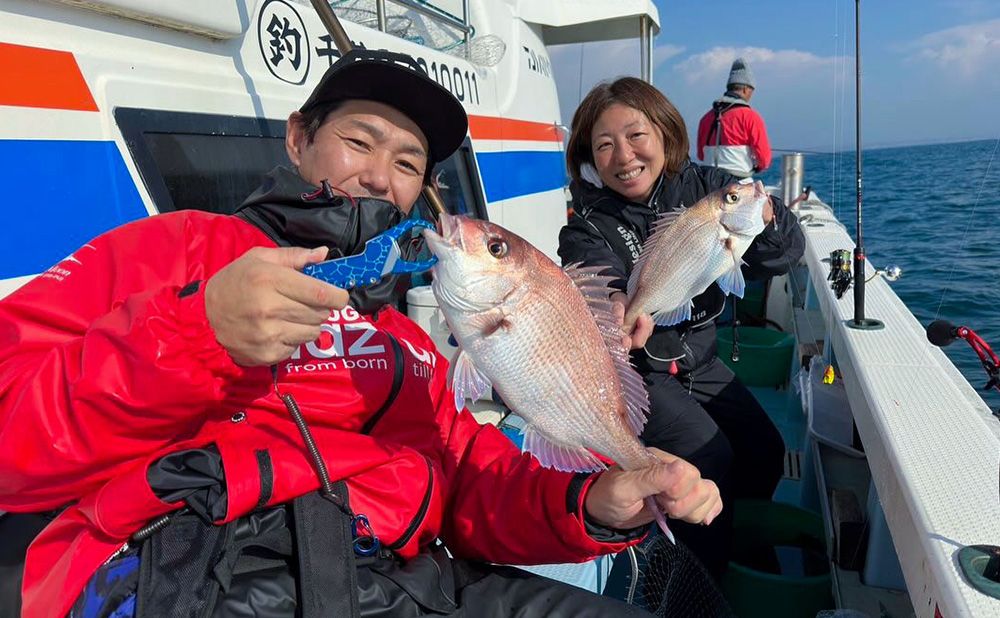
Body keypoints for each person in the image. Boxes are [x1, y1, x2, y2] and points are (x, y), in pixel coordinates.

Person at [0, 50, 723, 618]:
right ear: (298, 138)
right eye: (359, 142)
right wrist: (197, 333)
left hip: (402, 583)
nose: (380, 176)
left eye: (407, 163)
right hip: (191, 576)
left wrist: (588, 505)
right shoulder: (171, 251)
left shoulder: (404, 334)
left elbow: (466, 486)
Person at [559, 77, 804, 579]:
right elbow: (596, 274)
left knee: (765, 450)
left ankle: (731, 530)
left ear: (665, 132)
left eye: (635, 136)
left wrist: (769, 220)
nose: (623, 156)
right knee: (707, 455)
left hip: (701, 359)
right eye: (603, 145)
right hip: (639, 374)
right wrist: (617, 306)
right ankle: (698, 581)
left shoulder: (712, 191)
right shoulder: (587, 224)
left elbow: (781, 255)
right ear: (590, 157)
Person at [696, 57, 772, 178]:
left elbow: (701, 155)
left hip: (708, 182)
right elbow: (764, 159)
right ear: (746, 89)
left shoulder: (706, 118)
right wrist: (758, 166)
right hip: (738, 183)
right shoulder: (751, 117)